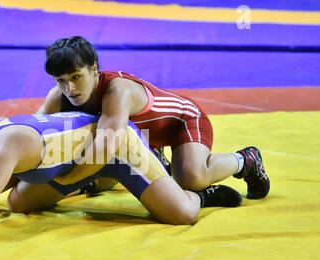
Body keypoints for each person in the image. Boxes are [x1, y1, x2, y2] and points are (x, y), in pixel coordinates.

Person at [0, 111, 242, 235]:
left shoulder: (3, 150)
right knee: (19, 203)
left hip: (116, 148)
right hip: (74, 164)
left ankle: (203, 190)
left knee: (182, 215)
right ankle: (96, 181)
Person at [36, 36, 270, 200]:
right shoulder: (60, 95)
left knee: (191, 179)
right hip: (145, 136)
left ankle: (245, 160)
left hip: (182, 121)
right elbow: (33, 134)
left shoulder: (117, 91)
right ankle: (159, 159)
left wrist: (66, 180)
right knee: (98, 174)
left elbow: (104, 149)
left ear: (94, 68)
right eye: (60, 80)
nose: (70, 88)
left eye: (76, 77)